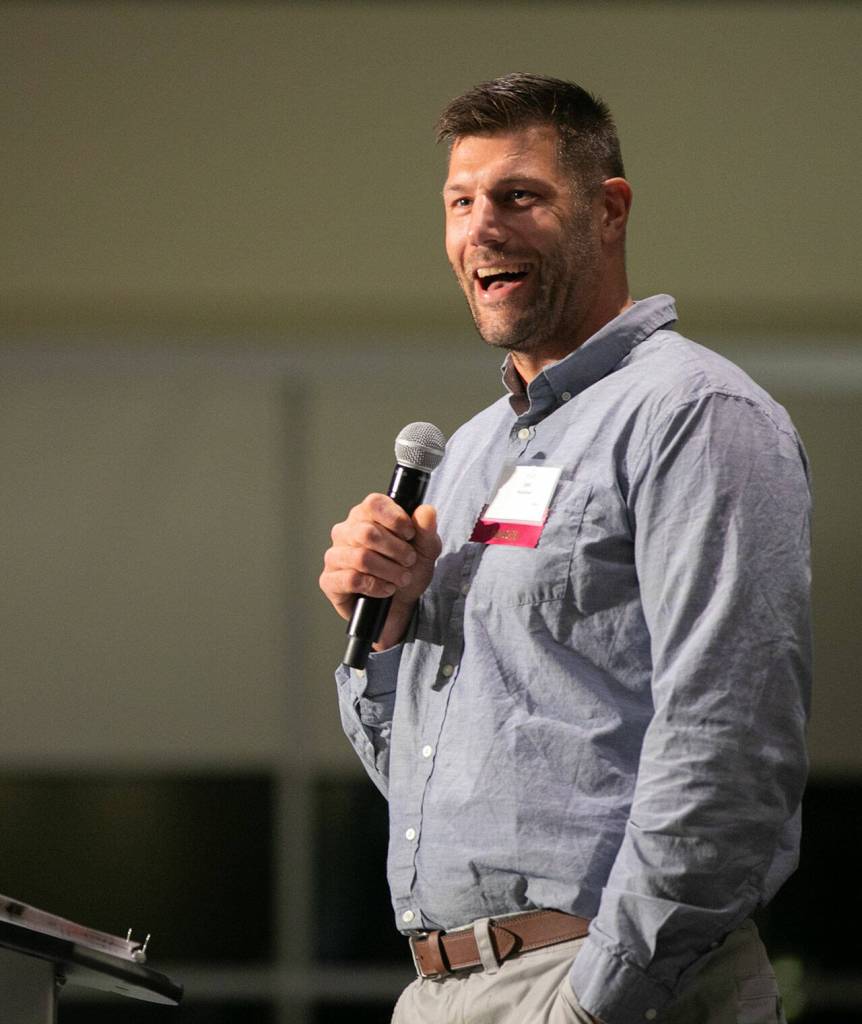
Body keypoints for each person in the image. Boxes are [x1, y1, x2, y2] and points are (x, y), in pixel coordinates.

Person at [319, 73, 810, 1024]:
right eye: (460, 204)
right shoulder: (465, 457)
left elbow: (729, 747)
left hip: (609, 985)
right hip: (443, 988)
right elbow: (422, 777)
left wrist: (599, 1000)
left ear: (609, 210)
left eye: (519, 196)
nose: (481, 229)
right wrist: (383, 641)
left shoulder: (694, 416)